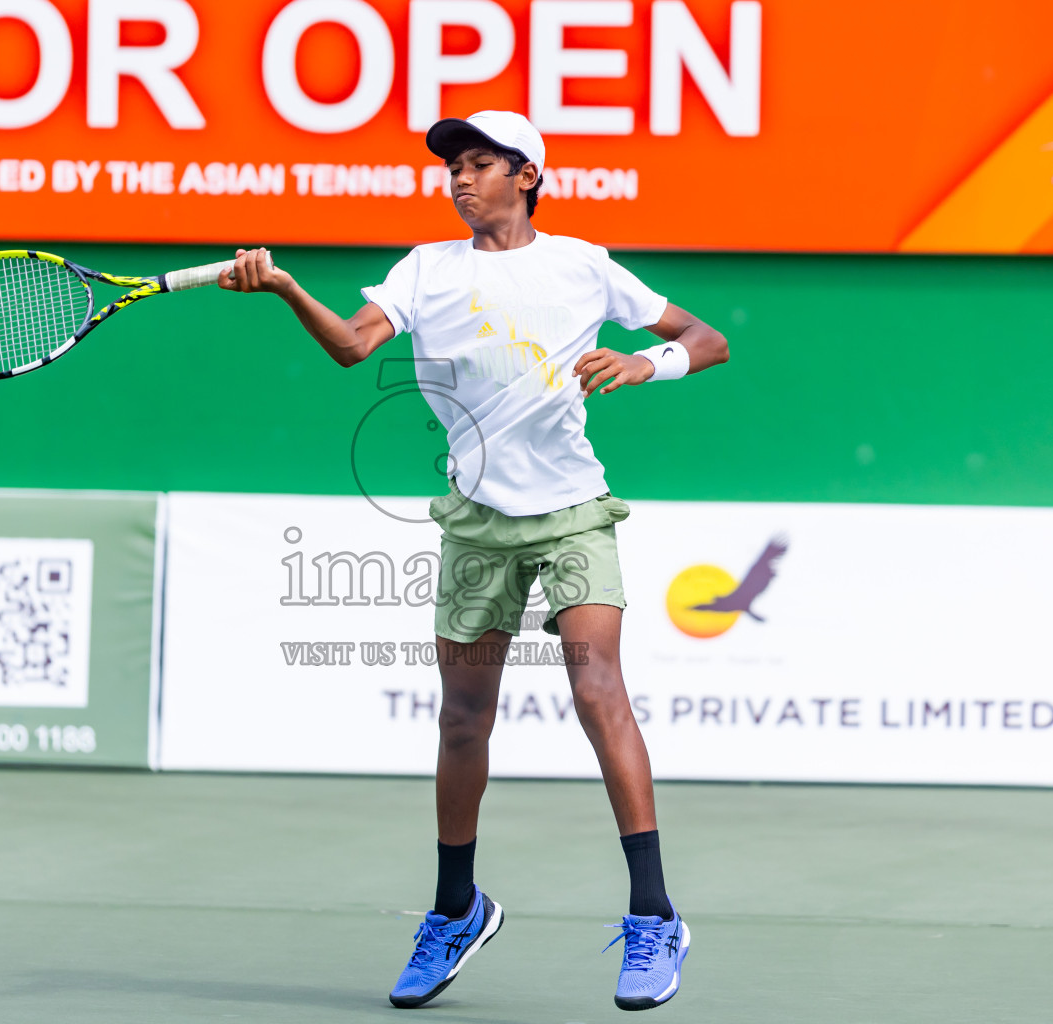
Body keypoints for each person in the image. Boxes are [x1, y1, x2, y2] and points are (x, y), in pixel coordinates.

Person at [220, 110, 729, 1012]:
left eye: (480, 163)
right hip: (477, 521)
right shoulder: (426, 270)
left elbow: (705, 339)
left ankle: (653, 916)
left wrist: (648, 366)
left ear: (527, 174)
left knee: (597, 687)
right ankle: (458, 909)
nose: (459, 179)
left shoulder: (582, 263)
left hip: (573, 511)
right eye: (453, 166)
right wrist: (287, 289)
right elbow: (350, 347)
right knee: (462, 719)